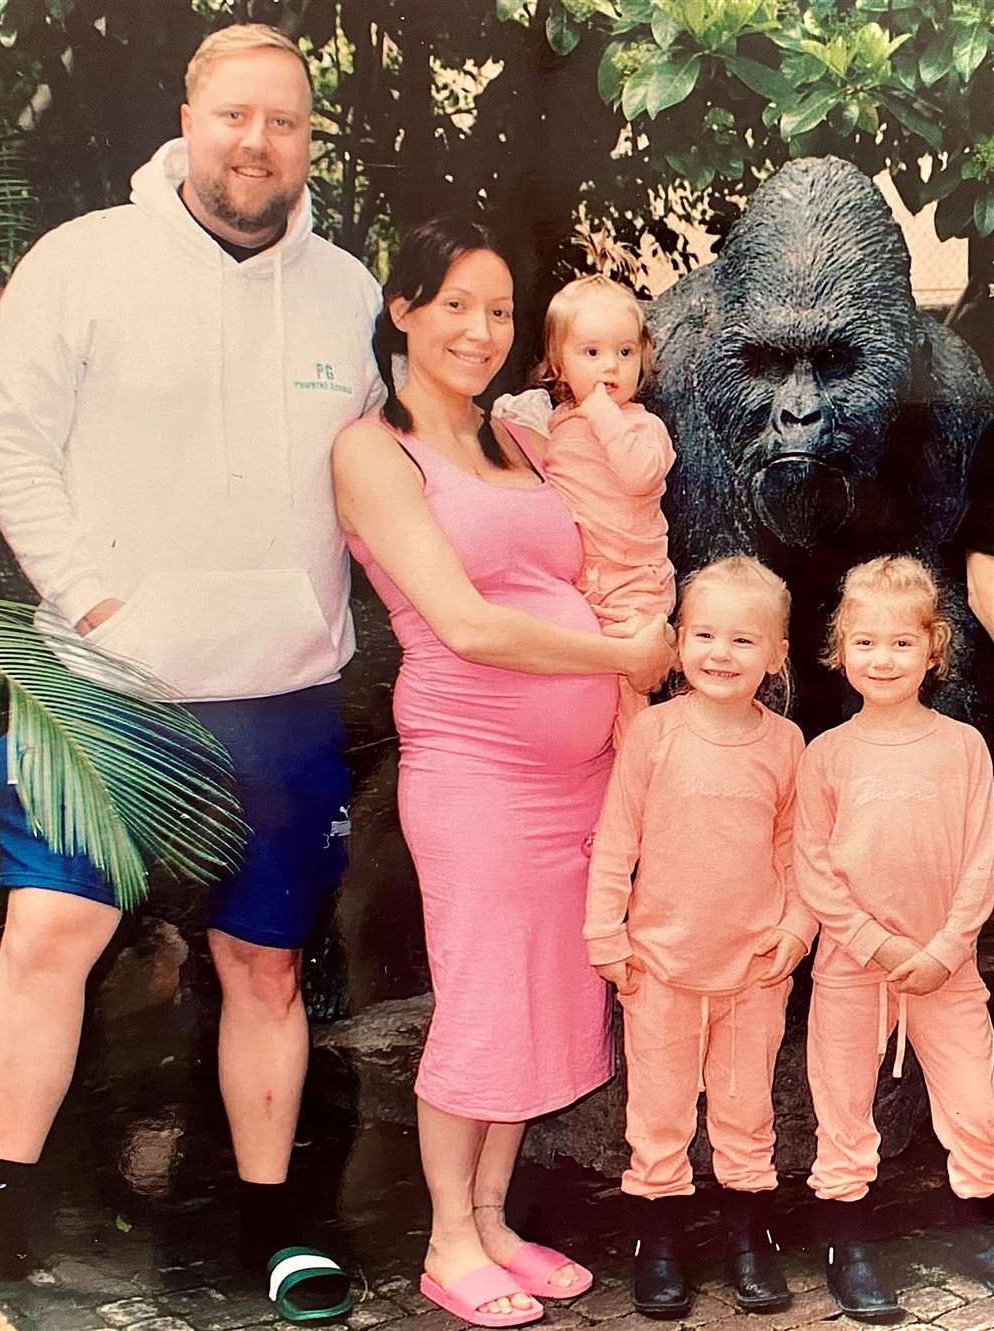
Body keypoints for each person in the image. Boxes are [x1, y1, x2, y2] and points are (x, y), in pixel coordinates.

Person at [0, 23, 382, 1320]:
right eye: (236, 114)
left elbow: (393, 466)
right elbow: (8, 439)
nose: (260, 143)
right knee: (49, 934)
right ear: (189, 113)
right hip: (103, 684)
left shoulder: (350, 292)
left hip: (279, 692)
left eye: (288, 122)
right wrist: (95, 597)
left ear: (311, 138)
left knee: (264, 964)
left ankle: (274, 1228)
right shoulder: (82, 263)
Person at [332, 214, 675, 1329]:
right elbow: (470, 623)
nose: (479, 330)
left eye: (496, 310)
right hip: (475, 768)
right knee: (482, 1001)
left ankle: (492, 1221)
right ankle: (443, 1243)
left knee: (541, 996)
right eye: (454, 305)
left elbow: (607, 535)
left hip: (579, 777)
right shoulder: (371, 449)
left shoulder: (525, 439)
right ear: (404, 312)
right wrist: (624, 653)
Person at [584, 555, 815, 1319]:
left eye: (744, 640)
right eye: (705, 634)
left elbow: (796, 849)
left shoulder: (786, 745)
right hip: (658, 965)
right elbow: (617, 840)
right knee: (659, 1110)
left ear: (776, 656)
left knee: (746, 1109)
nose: (721, 652)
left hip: (753, 968)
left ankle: (750, 1239)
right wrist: (607, 935)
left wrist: (795, 927)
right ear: (679, 642)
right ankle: (660, 1244)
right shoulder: (653, 733)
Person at [794, 555, 994, 1320]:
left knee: (977, 1103)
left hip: (948, 967)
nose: (883, 658)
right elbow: (813, 869)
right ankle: (848, 1240)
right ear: (840, 651)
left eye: (902, 643)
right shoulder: (828, 755)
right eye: (866, 642)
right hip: (854, 966)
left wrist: (945, 946)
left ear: (934, 649)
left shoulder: (964, 747)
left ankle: (972, 1224)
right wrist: (875, 943)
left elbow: (982, 856)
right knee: (843, 1104)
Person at [498, 274, 675, 746]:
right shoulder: (557, 424)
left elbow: (640, 475)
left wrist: (602, 413)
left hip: (632, 587)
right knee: (583, 690)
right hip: (579, 587)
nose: (610, 367)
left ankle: (636, 794)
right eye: (591, 353)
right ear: (559, 363)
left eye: (624, 352)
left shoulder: (643, 427)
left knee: (629, 702)